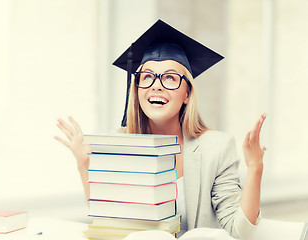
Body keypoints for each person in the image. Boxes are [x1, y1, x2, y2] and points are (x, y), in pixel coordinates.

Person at [54, 20, 266, 239]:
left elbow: (240, 231)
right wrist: (85, 165)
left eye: (170, 78)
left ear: (186, 94)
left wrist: (255, 168)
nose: (156, 85)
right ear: (136, 90)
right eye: (147, 76)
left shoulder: (217, 148)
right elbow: (109, 225)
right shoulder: (120, 146)